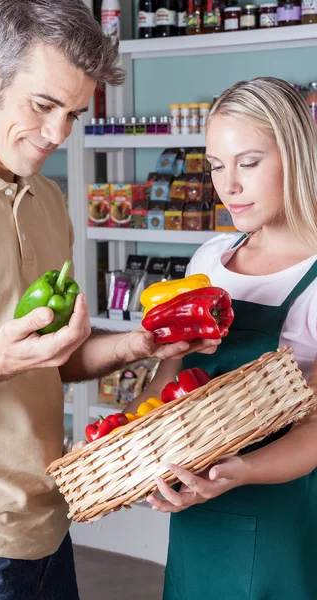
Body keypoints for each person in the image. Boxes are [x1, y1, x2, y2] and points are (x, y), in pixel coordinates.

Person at [0, 0, 220, 598]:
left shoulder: (47, 199)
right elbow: (4, 365)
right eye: (44, 104)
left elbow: (54, 363)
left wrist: (142, 342)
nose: (57, 134)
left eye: (74, 114)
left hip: (51, 524)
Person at [128, 77, 317, 599]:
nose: (227, 185)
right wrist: (134, 452)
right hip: (196, 510)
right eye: (215, 165)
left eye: (249, 163)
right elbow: (164, 390)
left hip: (280, 512)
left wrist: (239, 471)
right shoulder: (209, 261)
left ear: (296, 155)